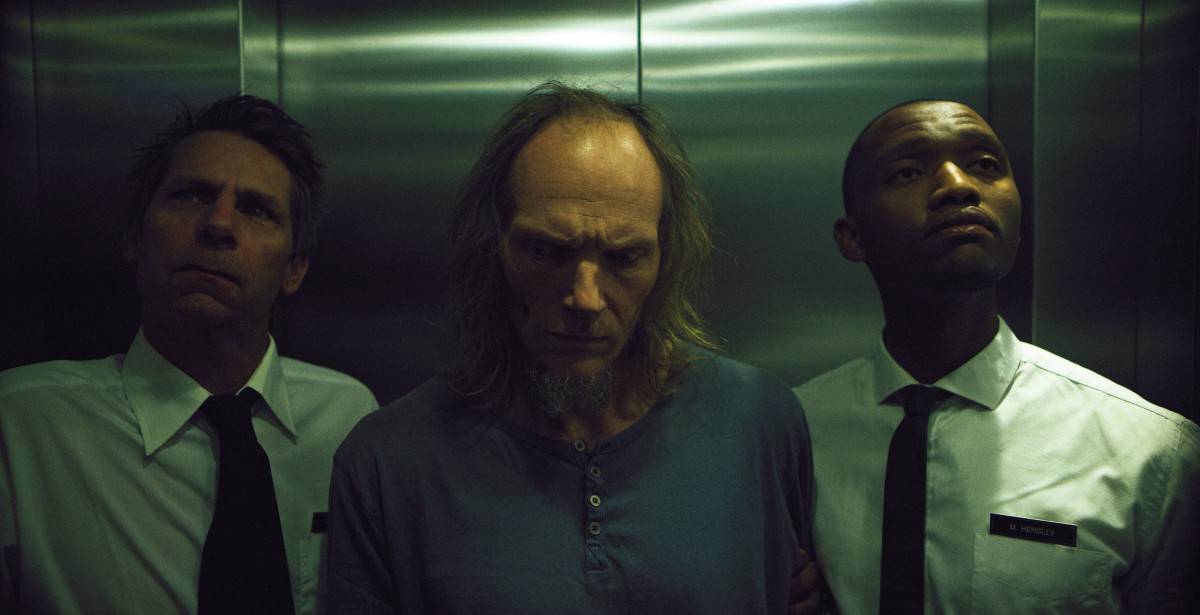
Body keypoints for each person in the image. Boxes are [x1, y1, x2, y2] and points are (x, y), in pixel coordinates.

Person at [327, 81, 817, 614]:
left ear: (665, 257)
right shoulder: (390, 461)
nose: (585, 298)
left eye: (625, 257)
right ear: (492, 244)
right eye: (546, 250)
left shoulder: (758, 422)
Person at [795, 99, 1200, 614]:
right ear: (853, 238)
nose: (958, 185)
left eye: (985, 165)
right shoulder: (791, 435)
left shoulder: (1150, 455)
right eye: (908, 171)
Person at [0, 95, 378, 614]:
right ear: (135, 235)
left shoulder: (348, 417)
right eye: (192, 195)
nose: (219, 224)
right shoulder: (21, 427)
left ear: (294, 269)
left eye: (256, 209)